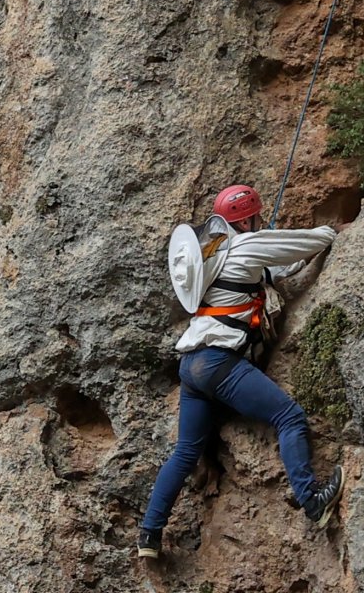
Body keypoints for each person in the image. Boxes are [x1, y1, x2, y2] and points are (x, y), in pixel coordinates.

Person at [138, 184, 339, 561]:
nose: (260, 221)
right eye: (257, 216)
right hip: (218, 362)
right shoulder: (248, 245)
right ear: (246, 218)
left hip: (191, 367)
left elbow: (276, 268)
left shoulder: (211, 258)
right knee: (288, 416)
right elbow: (311, 242)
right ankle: (313, 501)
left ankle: (149, 533)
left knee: (185, 451)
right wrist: (331, 232)